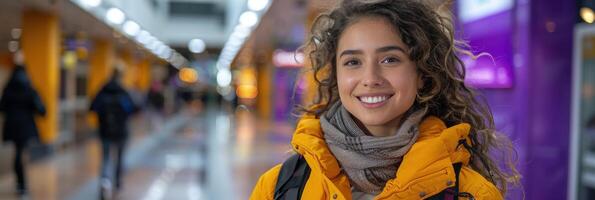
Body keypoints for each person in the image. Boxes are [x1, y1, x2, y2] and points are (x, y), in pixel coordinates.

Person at [250, 0, 520, 199]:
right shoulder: (280, 186)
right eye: (353, 61)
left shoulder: (472, 193)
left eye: (390, 59)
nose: (370, 78)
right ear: (336, 76)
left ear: (423, 74)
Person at [0, 50, 46, 197]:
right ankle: (22, 184)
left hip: (12, 125)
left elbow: (2, 107)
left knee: (18, 153)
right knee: (21, 152)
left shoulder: (8, 87)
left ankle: (20, 183)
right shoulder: (29, 87)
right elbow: (41, 109)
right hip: (25, 126)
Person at [90, 68, 137, 198]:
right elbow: (133, 109)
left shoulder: (103, 90)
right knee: (119, 158)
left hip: (105, 131)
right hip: (121, 131)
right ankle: (117, 182)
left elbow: (92, 107)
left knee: (106, 159)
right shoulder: (123, 92)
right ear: (121, 76)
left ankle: (105, 181)